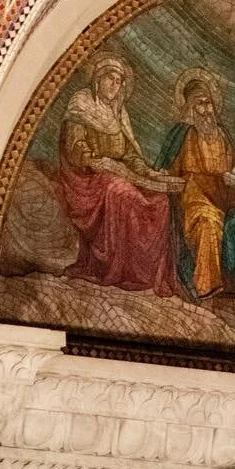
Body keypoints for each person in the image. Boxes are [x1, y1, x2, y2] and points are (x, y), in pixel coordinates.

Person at [56, 55, 183, 296]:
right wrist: (92, 159)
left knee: (160, 201)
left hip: (115, 173)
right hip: (87, 178)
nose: (114, 85)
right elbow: (74, 148)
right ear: (97, 81)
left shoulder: (119, 113)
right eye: (109, 79)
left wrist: (147, 171)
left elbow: (129, 154)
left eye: (118, 81)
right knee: (121, 193)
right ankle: (113, 267)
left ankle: (142, 272)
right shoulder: (81, 105)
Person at [156, 68, 235, 301]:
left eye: (209, 104)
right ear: (190, 108)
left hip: (222, 200)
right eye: (200, 104)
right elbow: (169, 169)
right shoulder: (182, 134)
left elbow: (233, 166)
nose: (206, 110)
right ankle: (206, 289)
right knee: (208, 224)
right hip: (193, 201)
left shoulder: (222, 134)